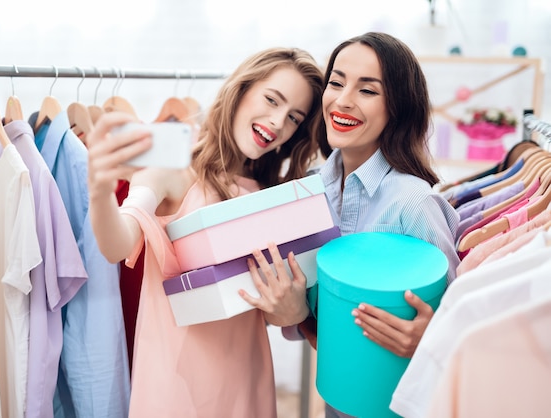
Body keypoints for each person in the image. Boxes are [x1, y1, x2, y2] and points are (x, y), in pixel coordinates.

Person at [85, 47, 324, 417]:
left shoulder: (274, 196)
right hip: (176, 383)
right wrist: (99, 190)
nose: (278, 122)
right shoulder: (172, 171)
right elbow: (117, 245)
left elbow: (271, 310)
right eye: (271, 99)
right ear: (240, 89)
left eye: (294, 117)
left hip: (247, 378)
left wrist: (292, 310)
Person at [240, 32, 461, 418]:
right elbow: (333, 332)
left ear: (398, 107)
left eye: (367, 90)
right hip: (338, 403)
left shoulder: (414, 203)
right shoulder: (310, 193)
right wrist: (296, 315)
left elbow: (458, 331)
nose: (342, 100)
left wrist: (432, 340)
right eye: (337, 82)